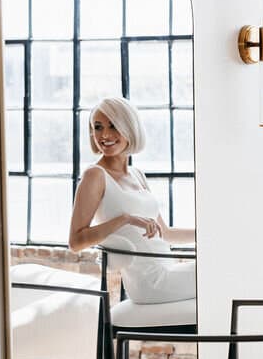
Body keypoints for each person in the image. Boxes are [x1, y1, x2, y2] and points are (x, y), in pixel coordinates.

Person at [68, 96, 196, 304]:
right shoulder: (95, 175)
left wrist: (208, 234)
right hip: (149, 282)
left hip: (167, 270)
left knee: (221, 264)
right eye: (98, 127)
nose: (105, 135)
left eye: (113, 125)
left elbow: (166, 234)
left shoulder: (137, 175)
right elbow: (76, 242)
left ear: (129, 127)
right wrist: (125, 219)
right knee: (219, 269)